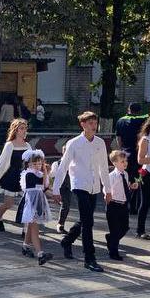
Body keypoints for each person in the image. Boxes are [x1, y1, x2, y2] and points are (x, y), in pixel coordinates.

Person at [49, 111, 110, 273]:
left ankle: (67, 241)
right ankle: (89, 258)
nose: (94, 126)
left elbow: (104, 167)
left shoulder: (100, 143)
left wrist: (107, 189)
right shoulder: (74, 143)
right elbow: (63, 168)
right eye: (90, 123)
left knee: (85, 220)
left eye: (95, 123)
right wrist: (56, 189)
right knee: (88, 222)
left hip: (94, 186)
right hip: (79, 185)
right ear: (82, 124)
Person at [18, 149, 54, 266]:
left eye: (39, 163)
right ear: (28, 164)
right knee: (34, 229)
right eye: (34, 164)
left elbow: (44, 187)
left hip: (39, 203)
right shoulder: (29, 174)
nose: (37, 166)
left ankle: (25, 246)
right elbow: (41, 185)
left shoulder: (40, 174)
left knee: (30, 226)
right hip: (30, 204)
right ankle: (40, 254)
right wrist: (44, 173)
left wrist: (44, 171)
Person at [103, 150, 138, 261]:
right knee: (115, 230)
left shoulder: (125, 174)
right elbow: (106, 188)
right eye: (122, 161)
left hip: (123, 205)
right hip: (113, 205)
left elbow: (124, 187)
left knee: (124, 227)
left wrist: (131, 186)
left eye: (125, 161)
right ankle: (113, 252)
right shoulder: (111, 176)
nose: (125, 163)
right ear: (114, 163)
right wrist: (106, 195)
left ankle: (110, 238)